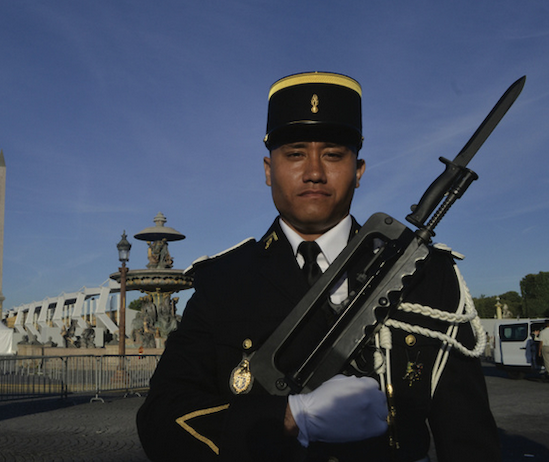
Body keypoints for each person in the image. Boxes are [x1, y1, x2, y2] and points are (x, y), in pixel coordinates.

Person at [137, 72, 500, 462]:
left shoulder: (425, 273)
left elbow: (469, 440)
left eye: (333, 154)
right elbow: (162, 418)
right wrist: (289, 418)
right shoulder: (223, 281)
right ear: (267, 170)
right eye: (294, 153)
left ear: (358, 170)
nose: (314, 171)